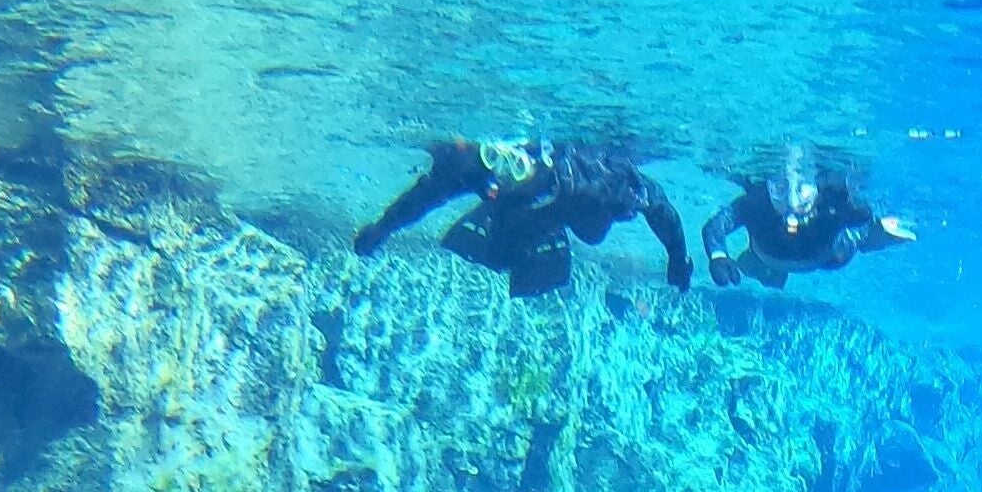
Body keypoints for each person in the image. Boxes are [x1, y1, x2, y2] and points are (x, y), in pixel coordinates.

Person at [353, 138, 691, 297]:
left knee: (587, 231)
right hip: (526, 216)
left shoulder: (598, 179)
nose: (507, 173)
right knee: (501, 253)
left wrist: (678, 257)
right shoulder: (480, 169)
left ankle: (535, 234)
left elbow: (659, 206)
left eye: (516, 168)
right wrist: (382, 228)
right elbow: (427, 195)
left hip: (567, 203)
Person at [702, 162, 913, 289]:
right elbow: (716, 226)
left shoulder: (832, 202)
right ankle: (766, 270)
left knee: (851, 243)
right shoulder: (757, 200)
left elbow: (863, 216)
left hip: (826, 257)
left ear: (817, 187)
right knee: (752, 266)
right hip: (765, 256)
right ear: (769, 186)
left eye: (803, 189)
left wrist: (876, 229)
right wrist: (718, 256)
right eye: (780, 188)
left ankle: (873, 239)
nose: (792, 202)